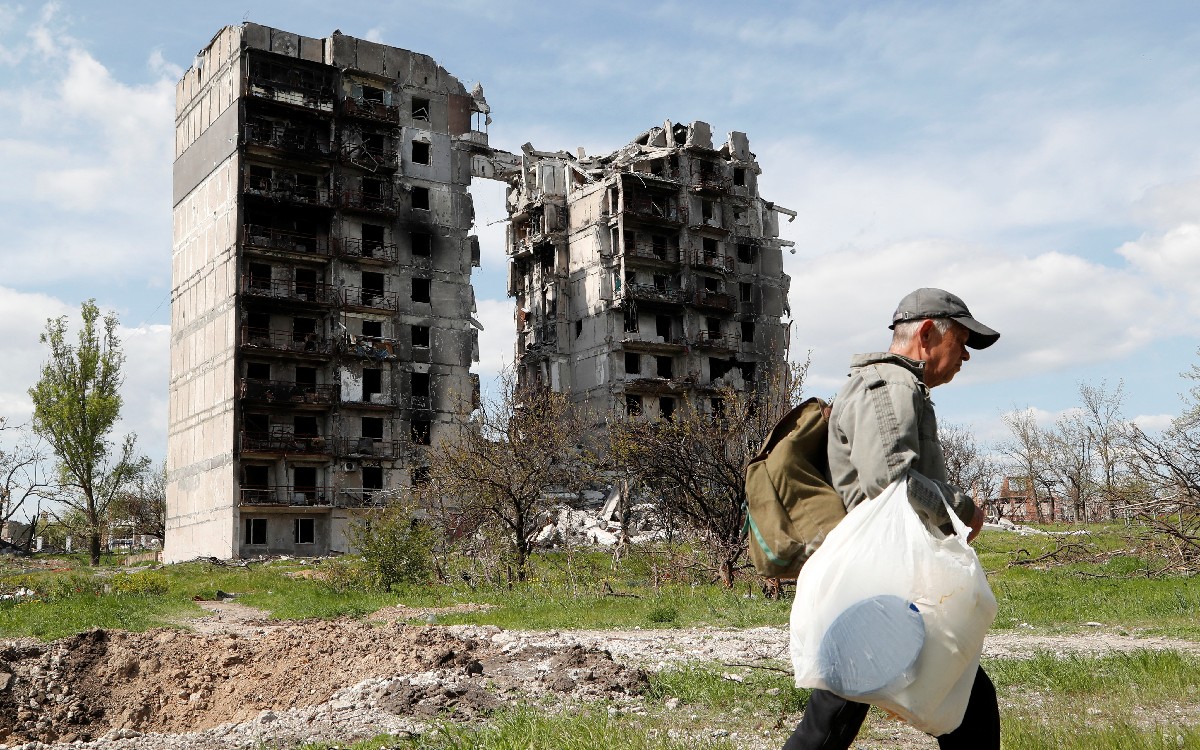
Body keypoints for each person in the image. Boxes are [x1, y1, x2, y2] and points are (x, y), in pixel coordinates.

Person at [782, 287, 1001, 750]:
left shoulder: (901, 386)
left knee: (962, 706)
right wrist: (964, 510)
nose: (965, 355)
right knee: (835, 717)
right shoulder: (890, 384)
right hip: (880, 580)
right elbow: (893, 482)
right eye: (961, 341)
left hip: (887, 579)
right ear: (927, 332)